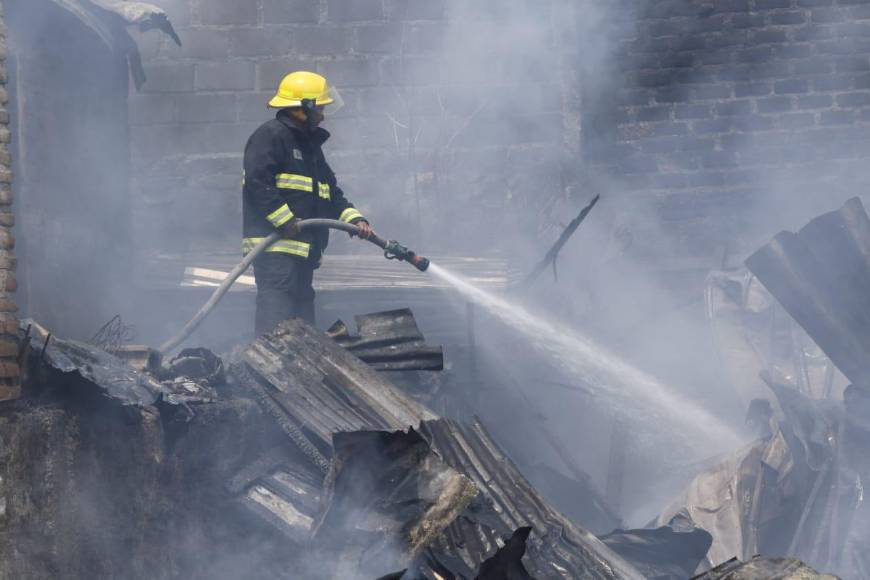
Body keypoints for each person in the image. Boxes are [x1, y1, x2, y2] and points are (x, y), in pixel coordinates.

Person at [242, 71, 373, 335]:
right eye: (320, 107)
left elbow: (329, 192)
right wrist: (285, 221)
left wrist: (354, 220)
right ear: (304, 109)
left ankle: (301, 371)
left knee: (302, 319)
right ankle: (269, 368)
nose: (323, 114)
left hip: (302, 250)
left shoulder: (310, 148)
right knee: (276, 317)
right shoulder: (270, 135)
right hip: (275, 248)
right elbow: (258, 183)